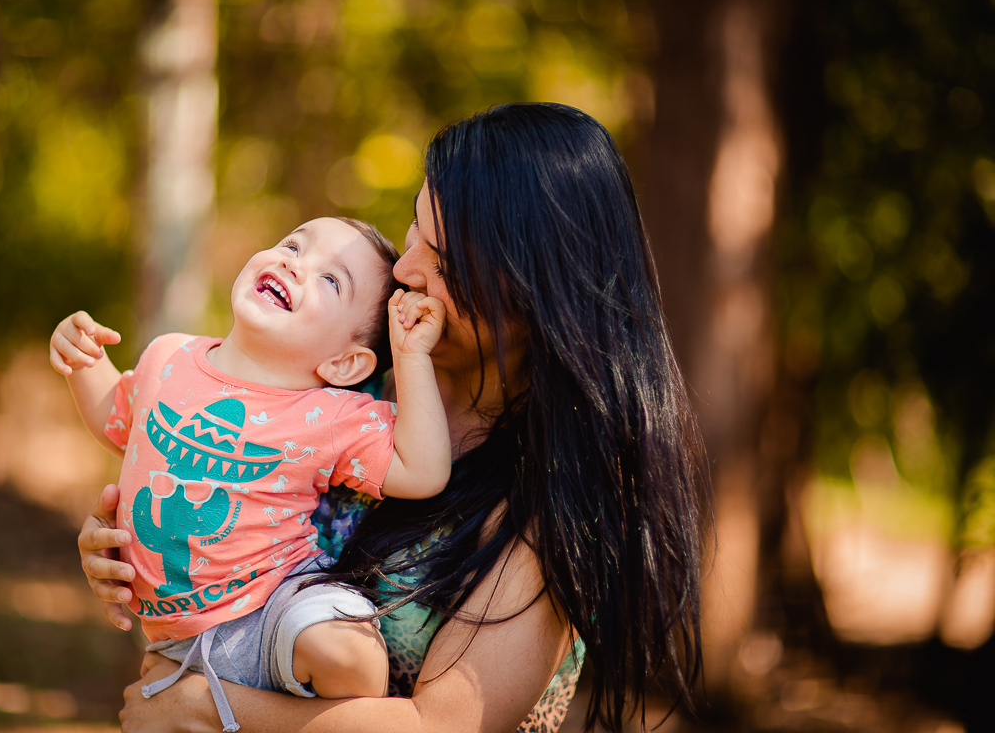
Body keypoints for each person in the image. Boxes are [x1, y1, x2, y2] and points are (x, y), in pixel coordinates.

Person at [78, 103, 706, 733]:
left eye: (445, 264)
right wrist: (138, 546)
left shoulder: (545, 513)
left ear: (534, 294)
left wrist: (208, 710)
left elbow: (443, 727)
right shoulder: (353, 379)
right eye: (415, 226)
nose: (406, 271)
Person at [52, 217, 452, 731]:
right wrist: (83, 361)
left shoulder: (330, 413)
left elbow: (422, 470)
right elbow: (119, 421)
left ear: (347, 364)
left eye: (332, 280)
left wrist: (412, 355)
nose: (294, 263)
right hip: (175, 640)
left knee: (350, 655)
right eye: (292, 244)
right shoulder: (170, 354)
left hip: (275, 607)